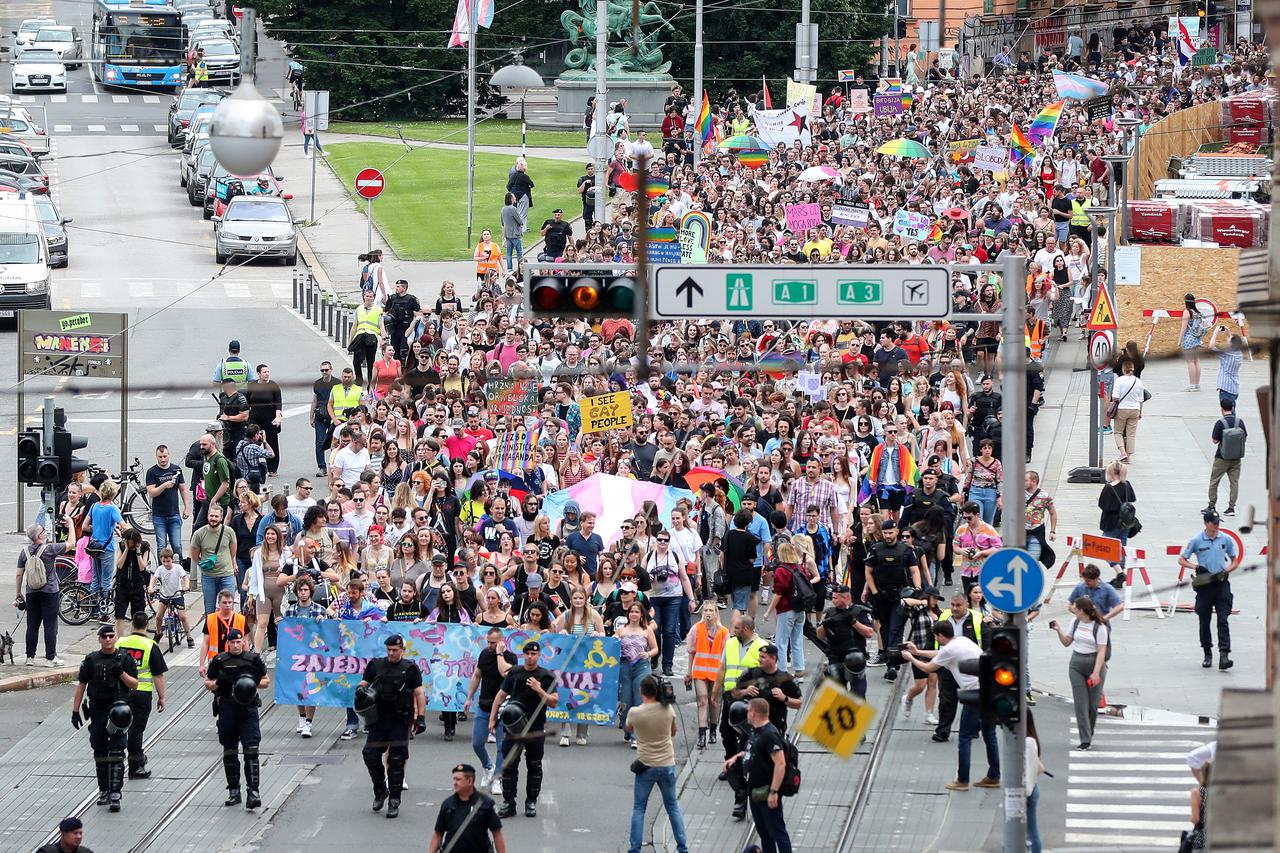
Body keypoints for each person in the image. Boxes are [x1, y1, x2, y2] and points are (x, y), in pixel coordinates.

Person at [902, 621, 1000, 792]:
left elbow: (928, 667)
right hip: (991, 689)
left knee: (964, 737)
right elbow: (940, 653)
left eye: (936, 637)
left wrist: (911, 658)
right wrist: (918, 651)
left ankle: (962, 780)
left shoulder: (949, 650)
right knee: (989, 734)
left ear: (939, 636)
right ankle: (994, 776)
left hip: (975, 693)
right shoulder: (962, 640)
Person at [356, 633, 427, 819]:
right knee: (370, 755)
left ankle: (394, 800)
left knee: (396, 760)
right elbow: (363, 683)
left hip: (400, 721)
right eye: (389, 650)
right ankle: (380, 790)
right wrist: (360, 691)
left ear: (403, 650)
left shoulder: (410, 669)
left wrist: (421, 717)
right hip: (378, 720)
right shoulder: (376, 665)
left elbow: (419, 694)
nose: (391, 653)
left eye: (395, 650)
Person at [489, 641, 558, 818]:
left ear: (539, 655)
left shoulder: (546, 676)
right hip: (513, 726)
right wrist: (492, 719)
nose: (530, 657)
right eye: (527, 653)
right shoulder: (515, 673)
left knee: (534, 765)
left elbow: (553, 701)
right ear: (523, 655)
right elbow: (501, 695)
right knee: (509, 765)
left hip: (535, 727)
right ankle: (508, 803)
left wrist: (539, 689)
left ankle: (531, 802)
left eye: (533, 654)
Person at [204, 627, 269, 809]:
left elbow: (266, 680)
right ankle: (234, 790)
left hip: (248, 710)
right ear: (228, 643)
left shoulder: (252, 660)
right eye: (232, 642)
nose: (235, 645)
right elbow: (208, 683)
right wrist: (219, 682)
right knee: (230, 751)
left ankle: (253, 791)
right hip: (227, 708)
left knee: (251, 750)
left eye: (238, 642)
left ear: (243, 642)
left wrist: (251, 684)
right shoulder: (220, 660)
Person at [626, 675, 690, 853]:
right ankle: (682, 847)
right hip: (667, 764)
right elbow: (673, 732)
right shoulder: (668, 710)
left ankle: (635, 849)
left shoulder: (635, 713)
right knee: (672, 807)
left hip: (646, 765)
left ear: (641, 691)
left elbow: (629, 728)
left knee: (639, 809)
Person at [723, 697, 791, 852]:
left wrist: (774, 791)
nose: (747, 714)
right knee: (765, 833)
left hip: (767, 792)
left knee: (778, 832)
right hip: (754, 792)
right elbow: (753, 750)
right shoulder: (755, 732)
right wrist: (737, 756)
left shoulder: (770, 734)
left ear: (753, 713)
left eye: (748, 711)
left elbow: (780, 764)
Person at [1179, 509, 1240, 671]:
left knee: (1223, 618)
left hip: (1221, 583)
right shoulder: (1197, 540)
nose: (1217, 526)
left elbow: (1235, 560)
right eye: (1214, 523)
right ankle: (1207, 653)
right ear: (1206, 524)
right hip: (1205, 584)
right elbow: (1182, 559)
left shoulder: (1225, 539)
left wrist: (1227, 570)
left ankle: (1224, 654)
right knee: (1204, 620)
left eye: (1218, 523)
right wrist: (1196, 566)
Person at [1049, 597, 1109, 750]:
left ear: (1082, 610)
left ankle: (1089, 732)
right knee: (1080, 704)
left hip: (1095, 663)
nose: (1072, 609)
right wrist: (1059, 630)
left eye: (1075, 608)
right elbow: (1066, 642)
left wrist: (1096, 673)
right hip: (1076, 663)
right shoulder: (1074, 622)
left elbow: (1101, 651)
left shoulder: (1099, 627)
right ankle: (1085, 740)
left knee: (1092, 705)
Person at [864, 519, 920, 678]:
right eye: (885, 533)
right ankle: (890, 658)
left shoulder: (906, 550)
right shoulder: (875, 549)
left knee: (896, 628)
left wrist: (917, 589)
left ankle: (892, 665)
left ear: (896, 532)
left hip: (900, 595)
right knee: (884, 629)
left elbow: (915, 571)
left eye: (890, 533)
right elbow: (868, 572)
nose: (888, 536)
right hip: (880, 595)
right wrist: (874, 592)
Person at [116, 611, 168, 779]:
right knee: (136, 731)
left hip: (121, 692)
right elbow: (158, 675)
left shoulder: (121, 642)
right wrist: (162, 697)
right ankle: (135, 766)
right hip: (142, 693)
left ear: (132, 625)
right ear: (147, 625)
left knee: (118, 729)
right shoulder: (150, 646)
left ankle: (116, 762)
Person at [464, 627, 516, 793]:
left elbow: (504, 673)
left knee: (502, 746)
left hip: (503, 708)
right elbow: (477, 675)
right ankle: (488, 767)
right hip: (484, 706)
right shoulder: (484, 654)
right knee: (477, 743)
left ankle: (497, 779)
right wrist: (469, 697)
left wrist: (499, 654)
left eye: (493, 643)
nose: (490, 646)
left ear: (502, 641)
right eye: (488, 642)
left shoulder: (511, 657)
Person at [15, 523, 68, 666]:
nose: (45, 533)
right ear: (39, 535)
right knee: (50, 625)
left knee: (32, 625)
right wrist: (70, 524)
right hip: (50, 591)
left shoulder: (24, 552)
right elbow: (72, 543)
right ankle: (50, 658)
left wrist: (18, 593)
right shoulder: (49, 549)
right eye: (43, 531)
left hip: (32, 592)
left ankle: (29, 657)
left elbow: (19, 574)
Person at [429, 763, 506, 853]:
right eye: (454, 779)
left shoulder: (485, 804)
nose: (454, 783)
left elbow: (497, 834)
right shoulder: (448, 804)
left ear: (470, 781)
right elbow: (438, 834)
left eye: (458, 779)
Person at [817, 583, 875, 698]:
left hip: (856, 660)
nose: (833, 601)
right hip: (836, 659)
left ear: (846, 598)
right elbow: (819, 635)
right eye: (832, 597)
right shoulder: (830, 613)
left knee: (858, 695)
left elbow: (869, 633)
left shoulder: (859, 611)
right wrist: (825, 625)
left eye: (835, 598)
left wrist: (853, 622)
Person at [685, 600, 729, 749]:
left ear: (716, 613)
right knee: (702, 700)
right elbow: (691, 652)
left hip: (717, 673)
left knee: (714, 702)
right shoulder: (696, 629)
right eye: (706, 610)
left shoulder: (723, 632)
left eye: (711, 610)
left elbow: (726, 655)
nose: (708, 613)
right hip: (700, 671)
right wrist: (689, 672)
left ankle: (713, 730)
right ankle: (702, 733)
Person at [190, 503, 238, 617]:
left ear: (221, 517)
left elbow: (233, 551)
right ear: (207, 516)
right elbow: (194, 554)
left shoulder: (229, 532)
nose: (213, 519)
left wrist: (230, 563)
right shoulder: (199, 534)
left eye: (216, 516)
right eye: (211, 516)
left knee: (228, 609)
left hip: (227, 575)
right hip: (208, 576)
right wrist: (203, 565)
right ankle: (210, 634)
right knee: (209, 610)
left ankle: (227, 633)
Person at [145, 444, 189, 556]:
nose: (163, 459)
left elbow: (183, 489)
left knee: (177, 546)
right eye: (160, 457)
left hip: (174, 514)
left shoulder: (176, 469)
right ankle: (161, 571)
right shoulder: (152, 472)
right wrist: (164, 485)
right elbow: (151, 492)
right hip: (159, 516)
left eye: (165, 456)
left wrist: (186, 507)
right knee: (161, 546)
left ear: (169, 455)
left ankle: (179, 570)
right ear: (156, 456)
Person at [1206, 397, 1246, 517]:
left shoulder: (1220, 423)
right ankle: (1231, 507)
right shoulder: (1240, 422)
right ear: (1232, 408)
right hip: (1236, 458)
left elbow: (1214, 440)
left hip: (1221, 458)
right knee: (1234, 482)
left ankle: (1212, 505)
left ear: (1222, 409)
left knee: (1214, 481)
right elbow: (1244, 437)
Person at [1108, 358, 1146, 462]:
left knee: (1118, 432)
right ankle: (1128, 457)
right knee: (1131, 434)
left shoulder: (1119, 380)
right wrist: (1140, 412)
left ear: (1123, 369)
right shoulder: (1138, 382)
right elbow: (1141, 399)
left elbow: (1115, 397)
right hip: (1135, 409)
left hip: (1122, 409)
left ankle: (1122, 452)